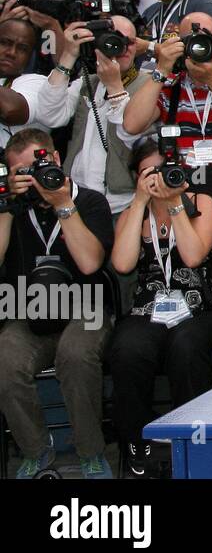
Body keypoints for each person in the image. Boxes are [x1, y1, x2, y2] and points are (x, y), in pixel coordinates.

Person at [106, 138, 212, 477]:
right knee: (127, 349)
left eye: (162, 170)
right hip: (148, 309)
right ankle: (137, 445)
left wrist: (174, 203)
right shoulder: (133, 213)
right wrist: (140, 201)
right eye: (148, 173)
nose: (157, 179)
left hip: (199, 306)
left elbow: (192, 256)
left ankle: (190, 442)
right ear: (136, 178)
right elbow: (123, 263)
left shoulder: (202, 203)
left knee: (186, 348)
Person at [0, 128, 116, 479]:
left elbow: (89, 264)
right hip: (28, 310)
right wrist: (6, 206)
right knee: (4, 357)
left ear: (55, 159)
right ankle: (36, 450)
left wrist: (63, 203)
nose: (32, 178)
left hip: (87, 307)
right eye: (21, 173)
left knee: (76, 355)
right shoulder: (12, 209)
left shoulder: (90, 201)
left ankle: (90, 452)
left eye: (38, 165)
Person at [121, 10, 212, 252]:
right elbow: (132, 124)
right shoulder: (170, 87)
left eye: (208, 38)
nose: (200, 46)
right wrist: (162, 68)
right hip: (182, 203)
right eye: (192, 40)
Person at [33, 16, 149, 215]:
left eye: (129, 42)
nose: (123, 47)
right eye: (115, 39)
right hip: (79, 199)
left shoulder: (148, 85)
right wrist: (68, 56)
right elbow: (49, 115)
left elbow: (129, 132)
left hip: (122, 204)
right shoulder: (87, 82)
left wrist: (114, 87)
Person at [0, 18, 45, 149]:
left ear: (31, 56)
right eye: (4, 43)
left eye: (22, 48)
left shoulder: (37, 82)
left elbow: (10, 110)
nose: (11, 53)